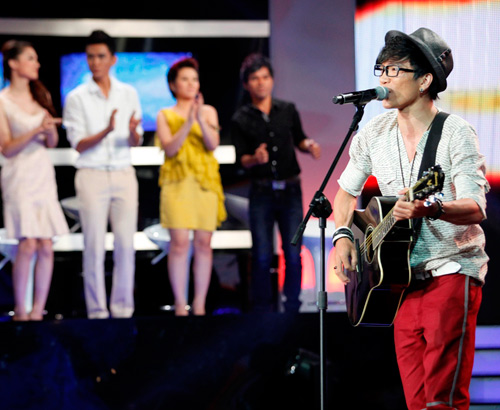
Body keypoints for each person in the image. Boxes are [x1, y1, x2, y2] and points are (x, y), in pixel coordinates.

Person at [332, 28, 489, 410]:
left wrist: (432, 208)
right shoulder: (373, 133)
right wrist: (343, 237)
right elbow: (345, 193)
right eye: (381, 70)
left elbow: (476, 206)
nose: (384, 79)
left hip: (451, 270)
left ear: (424, 80)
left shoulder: (456, 133)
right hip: (399, 282)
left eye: (395, 70)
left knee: (442, 400)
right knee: (416, 402)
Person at [231, 53, 321, 313]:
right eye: (255, 78)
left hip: (290, 189)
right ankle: (263, 311)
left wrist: (308, 145)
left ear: (272, 79)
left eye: (265, 77)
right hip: (261, 191)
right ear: (246, 84)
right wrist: (255, 158)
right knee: (261, 254)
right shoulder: (240, 118)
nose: (261, 83)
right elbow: (241, 159)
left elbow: (300, 139)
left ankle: (292, 308)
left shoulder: (287, 109)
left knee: (292, 252)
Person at [63, 30, 143, 319]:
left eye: (100, 56)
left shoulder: (128, 93)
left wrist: (132, 132)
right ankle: (97, 312)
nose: (95, 62)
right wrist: (107, 130)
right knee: (94, 246)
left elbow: (136, 140)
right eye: (90, 57)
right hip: (92, 174)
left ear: (113, 59)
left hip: (123, 173)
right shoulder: (76, 97)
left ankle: (123, 311)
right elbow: (78, 143)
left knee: (126, 245)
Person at [0, 40, 69, 321]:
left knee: (46, 244)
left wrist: (49, 129)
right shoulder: (2, 100)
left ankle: (38, 311)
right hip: (18, 173)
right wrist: (35, 130)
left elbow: (51, 142)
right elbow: (7, 147)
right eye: (30, 58)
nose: (36, 64)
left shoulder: (40, 96)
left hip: (42, 172)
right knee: (27, 243)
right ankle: (21, 310)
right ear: (13, 63)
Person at [156, 57, 226, 316]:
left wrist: (199, 119)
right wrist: (188, 122)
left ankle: (199, 305)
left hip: (204, 183)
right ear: (173, 85)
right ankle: (179, 305)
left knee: (204, 243)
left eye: (194, 79)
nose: (190, 84)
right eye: (184, 79)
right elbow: (170, 149)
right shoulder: (164, 114)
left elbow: (212, 144)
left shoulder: (208, 112)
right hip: (177, 183)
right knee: (179, 243)